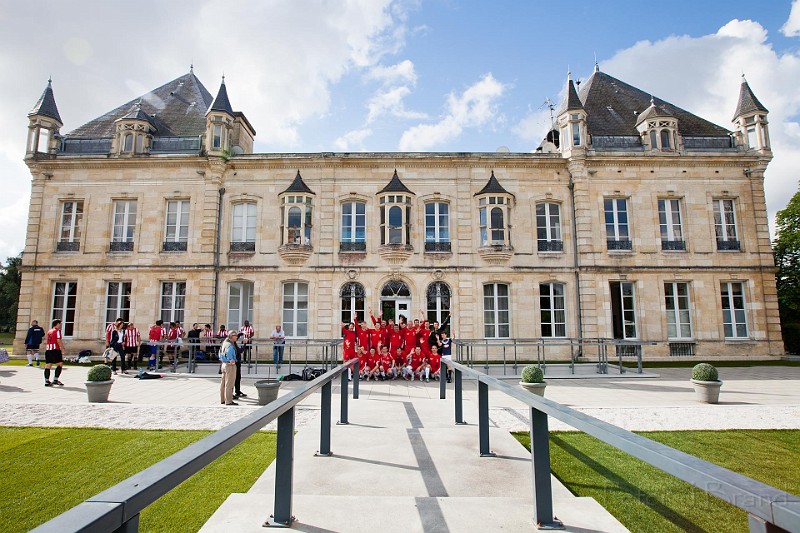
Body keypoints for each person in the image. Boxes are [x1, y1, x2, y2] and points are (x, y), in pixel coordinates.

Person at [218, 330, 238, 405]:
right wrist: (231, 360)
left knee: (223, 383)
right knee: (229, 384)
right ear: (232, 336)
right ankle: (229, 400)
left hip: (224, 364)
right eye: (235, 335)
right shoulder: (230, 345)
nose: (236, 337)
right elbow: (229, 353)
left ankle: (222, 399)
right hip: (229, 365)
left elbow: (220, 353)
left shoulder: (224, 343)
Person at [44, 319, 65, 387]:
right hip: (55, 349)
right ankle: (55, 380)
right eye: (60, 323)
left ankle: (46, 381)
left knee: (48, 365)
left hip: (48, 349)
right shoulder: (57, 331)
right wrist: (62, 348)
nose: (61, 325)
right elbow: (58, 340)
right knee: (59, 364)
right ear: (57, 324)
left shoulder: (49, 331)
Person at [233, 332, 247, 399]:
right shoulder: (233, 344)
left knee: (238, 377)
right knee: (236, 377)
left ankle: (237, 391)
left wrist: (242, 333)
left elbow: (237, 336)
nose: (237, 338)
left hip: (237, 362)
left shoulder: (233, 342)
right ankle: (236, 392)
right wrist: (244, 344)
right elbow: (240, 351)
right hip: (236, 362)